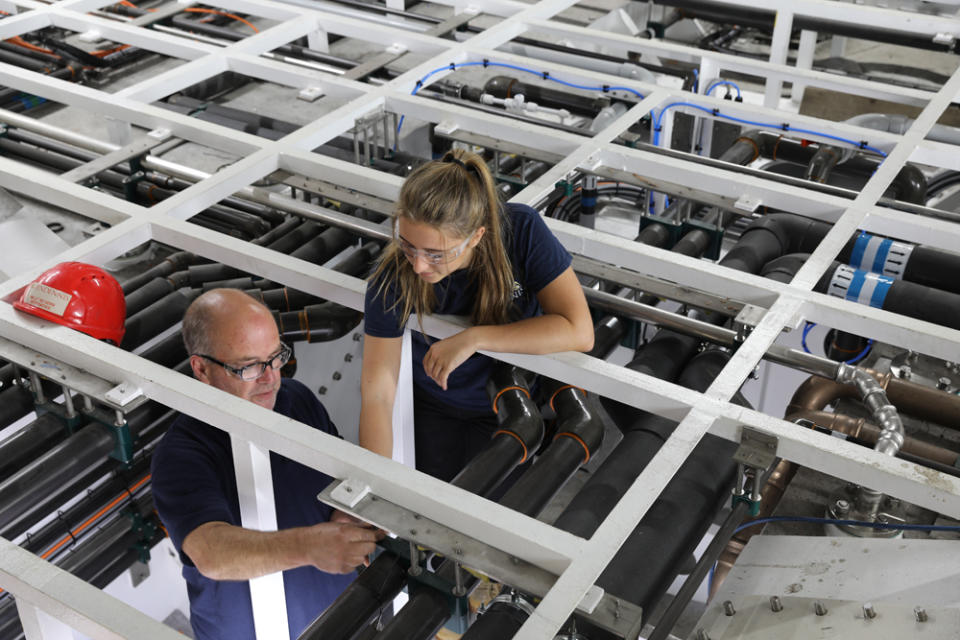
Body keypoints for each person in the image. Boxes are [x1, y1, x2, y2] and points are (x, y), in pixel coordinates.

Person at [151, 288, 381, 640]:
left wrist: (349, 513)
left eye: (276, 357)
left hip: (343, 618)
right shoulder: (183, 453)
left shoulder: (298, 399)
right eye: (249, 367)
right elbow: (211, 552)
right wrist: (309, 547)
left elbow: (343, 478)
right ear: (202, 369)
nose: (271, 377)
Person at [360, 149, 594, 481]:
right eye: (407, 244)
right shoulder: (391, 277)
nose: (418, 265)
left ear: (477, 236)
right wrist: (370, 482)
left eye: (435, 254)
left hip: (513, 402)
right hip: (434, 405)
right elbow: (378, 392)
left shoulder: (521, 230)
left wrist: (474, 338)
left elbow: (579, 330)